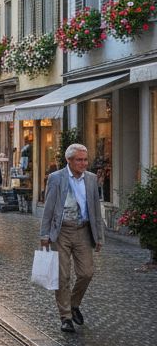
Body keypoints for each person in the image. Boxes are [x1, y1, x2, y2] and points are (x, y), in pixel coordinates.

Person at [39, 143, 104, 333]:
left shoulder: (91, 179)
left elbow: (95, 209)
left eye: (85, 160)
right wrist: (44, 234)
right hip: (62, 232)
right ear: (69, 160)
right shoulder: (56, 178)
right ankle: (66, 316)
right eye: (79, 160)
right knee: (63, 275)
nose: (83, 163)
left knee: (87, 272)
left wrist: (99, 236)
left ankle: (74, 303)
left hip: (84, 230)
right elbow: (49, 208)